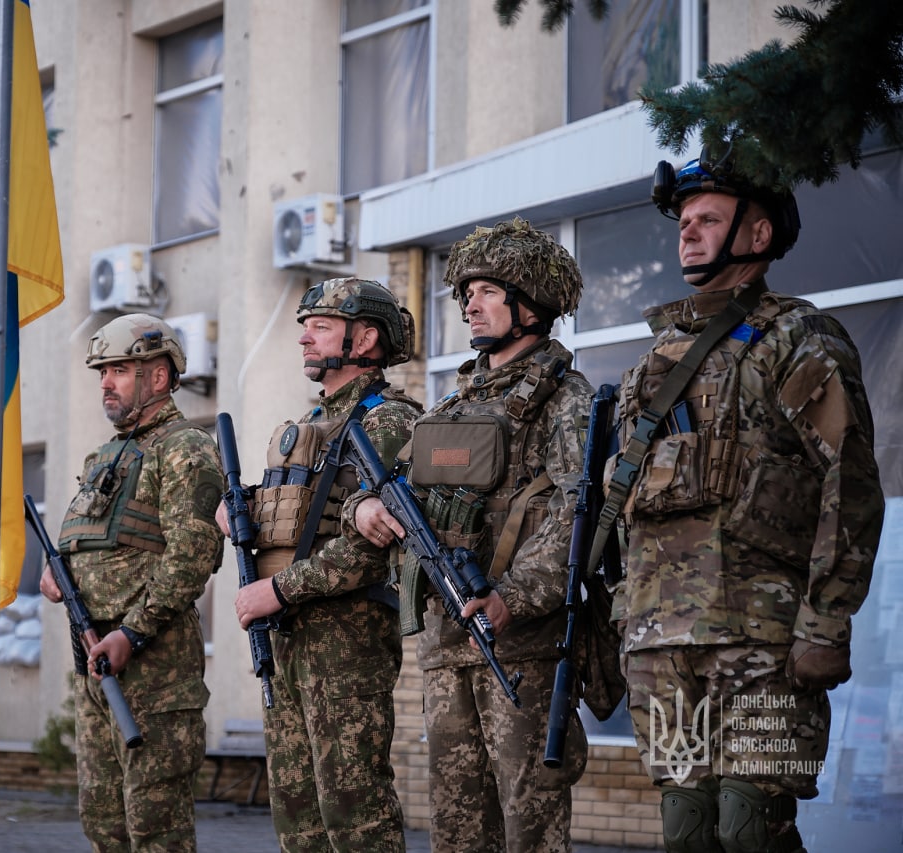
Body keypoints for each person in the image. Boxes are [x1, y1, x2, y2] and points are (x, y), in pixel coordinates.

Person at [609, 146, 884, 853]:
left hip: (762, 637)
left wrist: (827, 619)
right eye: (683, 222)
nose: (688, 232)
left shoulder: (796, 337)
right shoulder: (650, 363)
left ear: (758, 235)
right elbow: (622, 508)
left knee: (749, 824)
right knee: (687, 828)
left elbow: (849, 483)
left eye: (708, 219)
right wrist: (618, 619)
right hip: (661, 644)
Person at [346, 219, 594, 852]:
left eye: (486, 291)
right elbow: (389, 484)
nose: (469, 306)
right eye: (465, 294)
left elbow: (580, 512)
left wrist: (513, 597)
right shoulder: (451, 407)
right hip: (446, 647)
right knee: (457, 830)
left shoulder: (565, 400)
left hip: (521, 648)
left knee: (530, 828)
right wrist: (363, 508)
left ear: (530, 303)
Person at [224, 278, 421, 852]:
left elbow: (371, 545)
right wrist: (240, 511)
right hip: (288, 636)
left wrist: (278, 590)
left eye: (321, 326)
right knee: (297, 819)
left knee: (354, 815)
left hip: (345, 640)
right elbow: (300, 516)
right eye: (305, 327)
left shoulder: (389, 422)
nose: (304, 338)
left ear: (366, 338)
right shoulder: (309, 425)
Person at [41, 313, 224, 852]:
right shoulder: (107, 456)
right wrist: (57, 568)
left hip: (154, 671)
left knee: (155, 829)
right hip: (96, 663)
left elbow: (193, 555)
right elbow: (86, 540)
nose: (106, 383)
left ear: (159, 377)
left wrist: (133, 632)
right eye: (103, 372)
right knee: (104, 826)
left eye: (119, 370)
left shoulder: (185, 447)